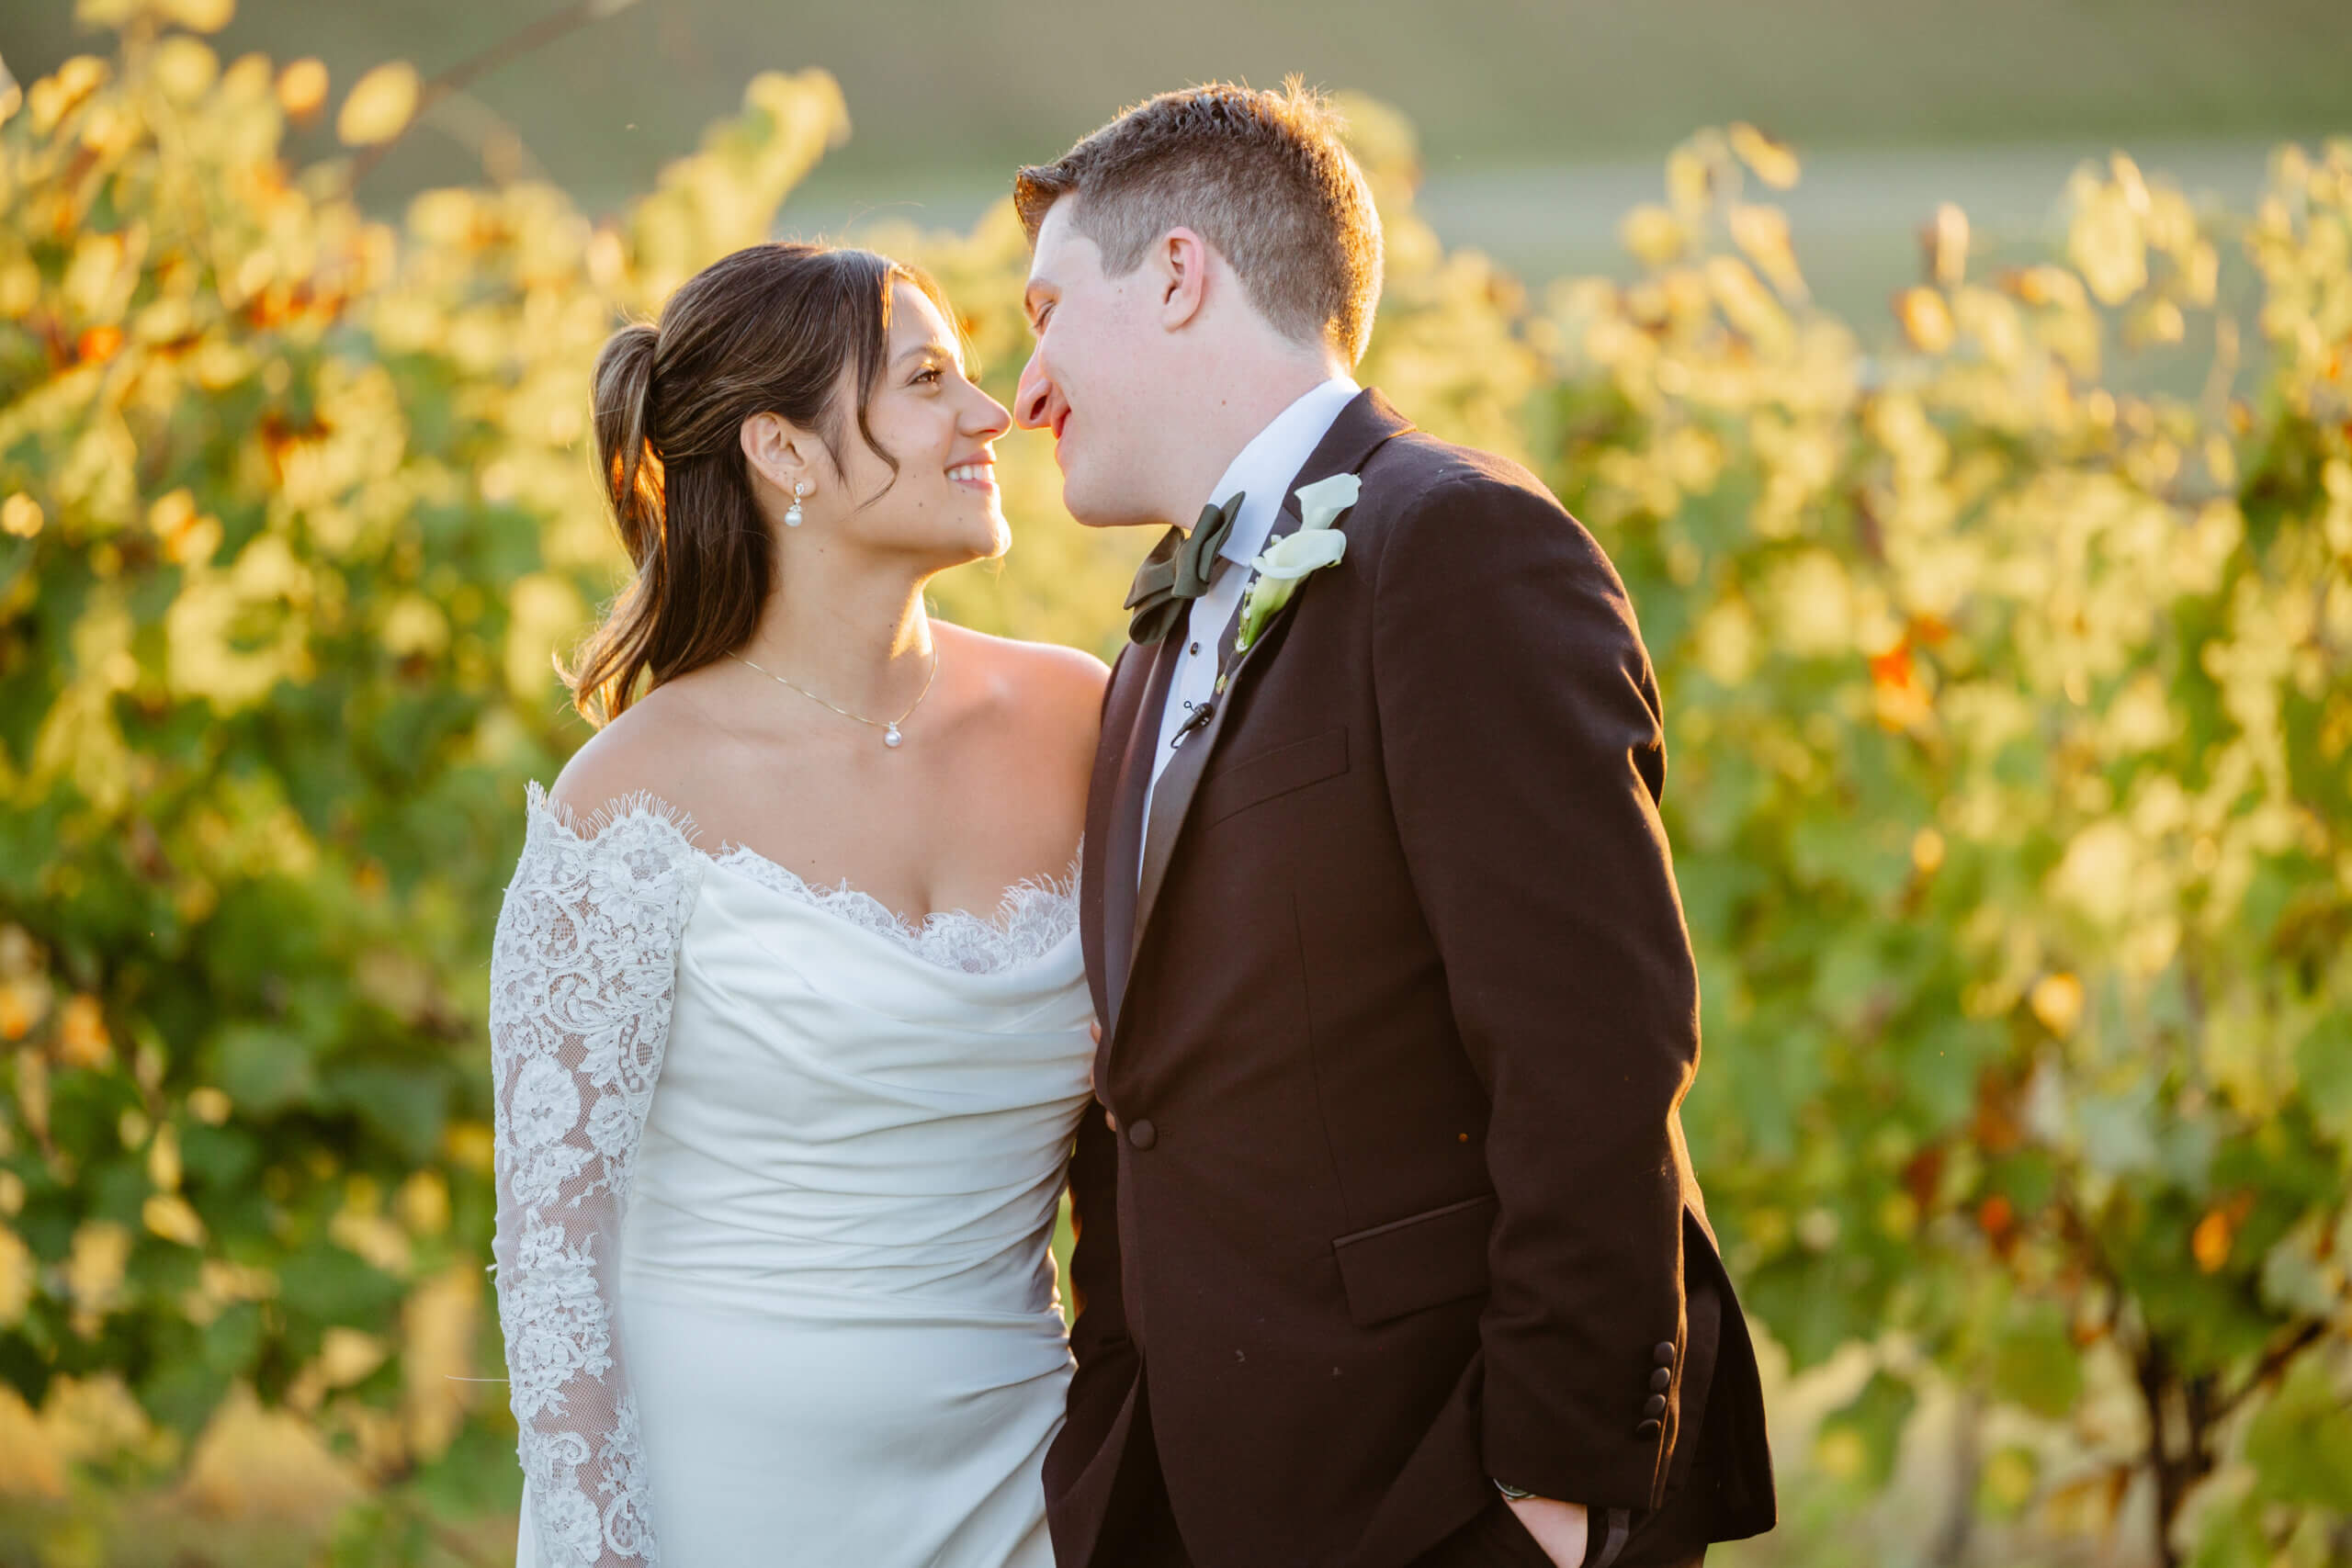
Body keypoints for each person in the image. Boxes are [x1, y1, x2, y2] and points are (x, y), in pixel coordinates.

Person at [1011, 84, 1778, 1568]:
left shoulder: (1461, 545)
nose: (1026, 387)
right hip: (1205, 1488)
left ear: (1179, 276)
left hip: (1449, 1495)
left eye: (1047, 312)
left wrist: (1555, 1497)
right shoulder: (1154, 643)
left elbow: (1594, 1044)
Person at [486, 242, 1106, 1567]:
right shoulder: (627, 805)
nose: (990, 415)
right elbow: (552, 1260)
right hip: (723, 1493)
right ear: (786, 453)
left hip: (1026, 1481)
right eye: (931, 380)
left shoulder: (1081, 721)